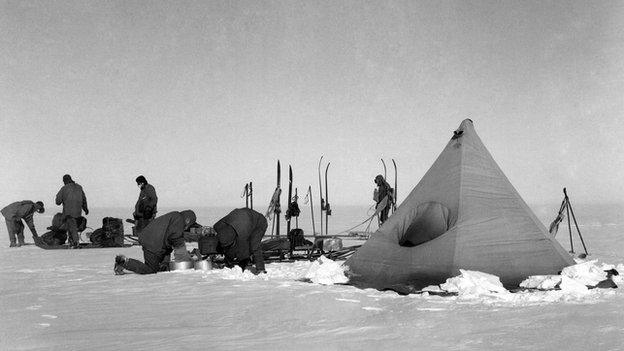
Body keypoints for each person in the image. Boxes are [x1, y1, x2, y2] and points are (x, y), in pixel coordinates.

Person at [114, 210, 195, 275]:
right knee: (150, 269)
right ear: (187, 220)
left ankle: (163, 265)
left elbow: (169, 238)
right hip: (152, 242)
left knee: (162, 267)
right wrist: (183, 258)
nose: (187, 227)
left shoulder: (175, 216)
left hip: (152, 240)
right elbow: (175, 237)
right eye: (189, 225)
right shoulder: (179, 220)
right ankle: (124, 262)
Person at [213, 208, 268, 274]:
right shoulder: (219, 226)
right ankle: (229, 260)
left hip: (259, 223)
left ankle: (260, 269)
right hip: (244, 218)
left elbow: (243, 253)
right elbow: (216, 227)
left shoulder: (242, 235)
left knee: (254, 245)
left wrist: (236, 260)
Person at [55, 174, 89, 248]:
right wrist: (85, 208)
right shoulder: (79, 187)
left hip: (68, 213)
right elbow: (84, 199)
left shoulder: (64, 188)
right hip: (78, 213)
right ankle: (72, 241)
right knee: (72, 226)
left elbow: (57, 201)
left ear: (64, 181)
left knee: (72, 227)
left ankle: (75, 242)